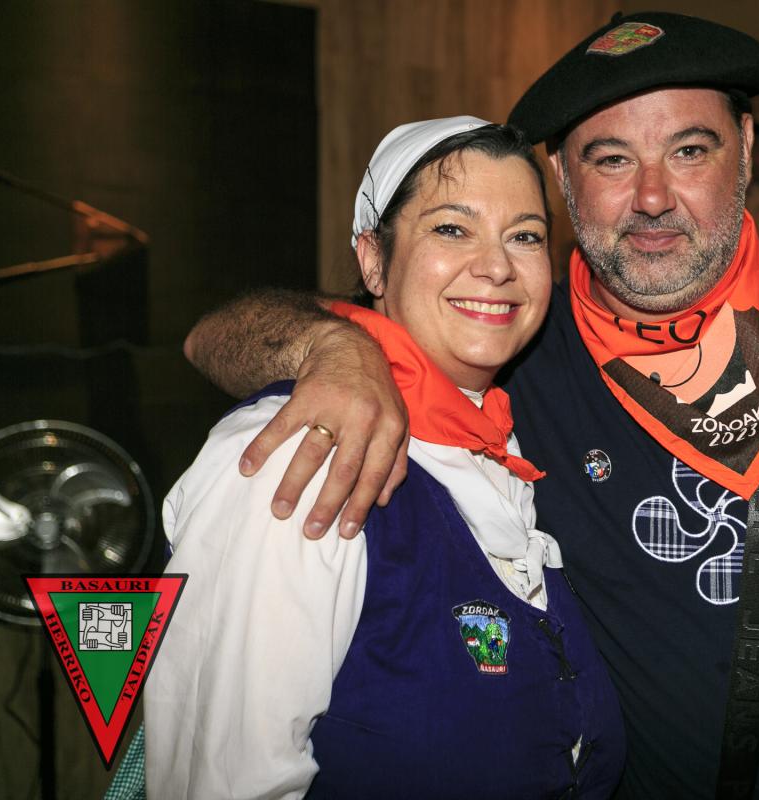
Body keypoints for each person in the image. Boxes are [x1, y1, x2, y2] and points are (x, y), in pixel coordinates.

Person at [183, 13, 759, 799]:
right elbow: (218, 336)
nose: (650, 196)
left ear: (745, 149)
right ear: (565, 178)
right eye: (611, 159)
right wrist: (327, 348)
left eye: (689, 150)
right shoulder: (517, 345)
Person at [142, 118, 625, 799]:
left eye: (525, 236)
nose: (496, 266)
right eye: (452, 229)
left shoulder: (513, 441)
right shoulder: (305, 450)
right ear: (372, 260)